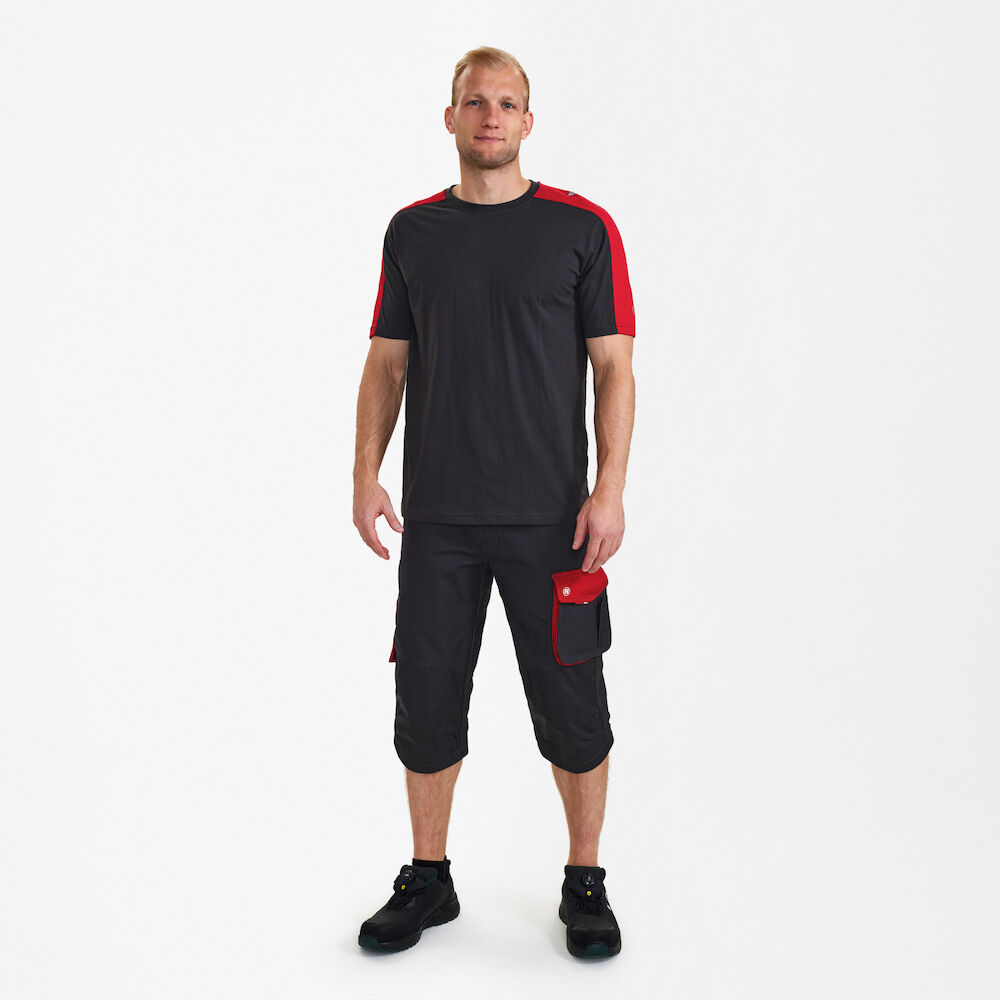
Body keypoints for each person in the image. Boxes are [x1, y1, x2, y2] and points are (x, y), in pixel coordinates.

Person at [353, 45, 636, 958]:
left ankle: (584, 879)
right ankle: (428, 877)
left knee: (573, 705)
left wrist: (609, 490)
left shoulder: (581, 229)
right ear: (450, 117)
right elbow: (386, 363)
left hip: (554, 521)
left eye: (508, 104)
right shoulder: (412, 233)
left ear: (528, 121)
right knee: (426, 702)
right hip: (438, 519)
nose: (490, 117)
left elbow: (614, 368)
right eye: (475, 102)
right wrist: (365, 473)